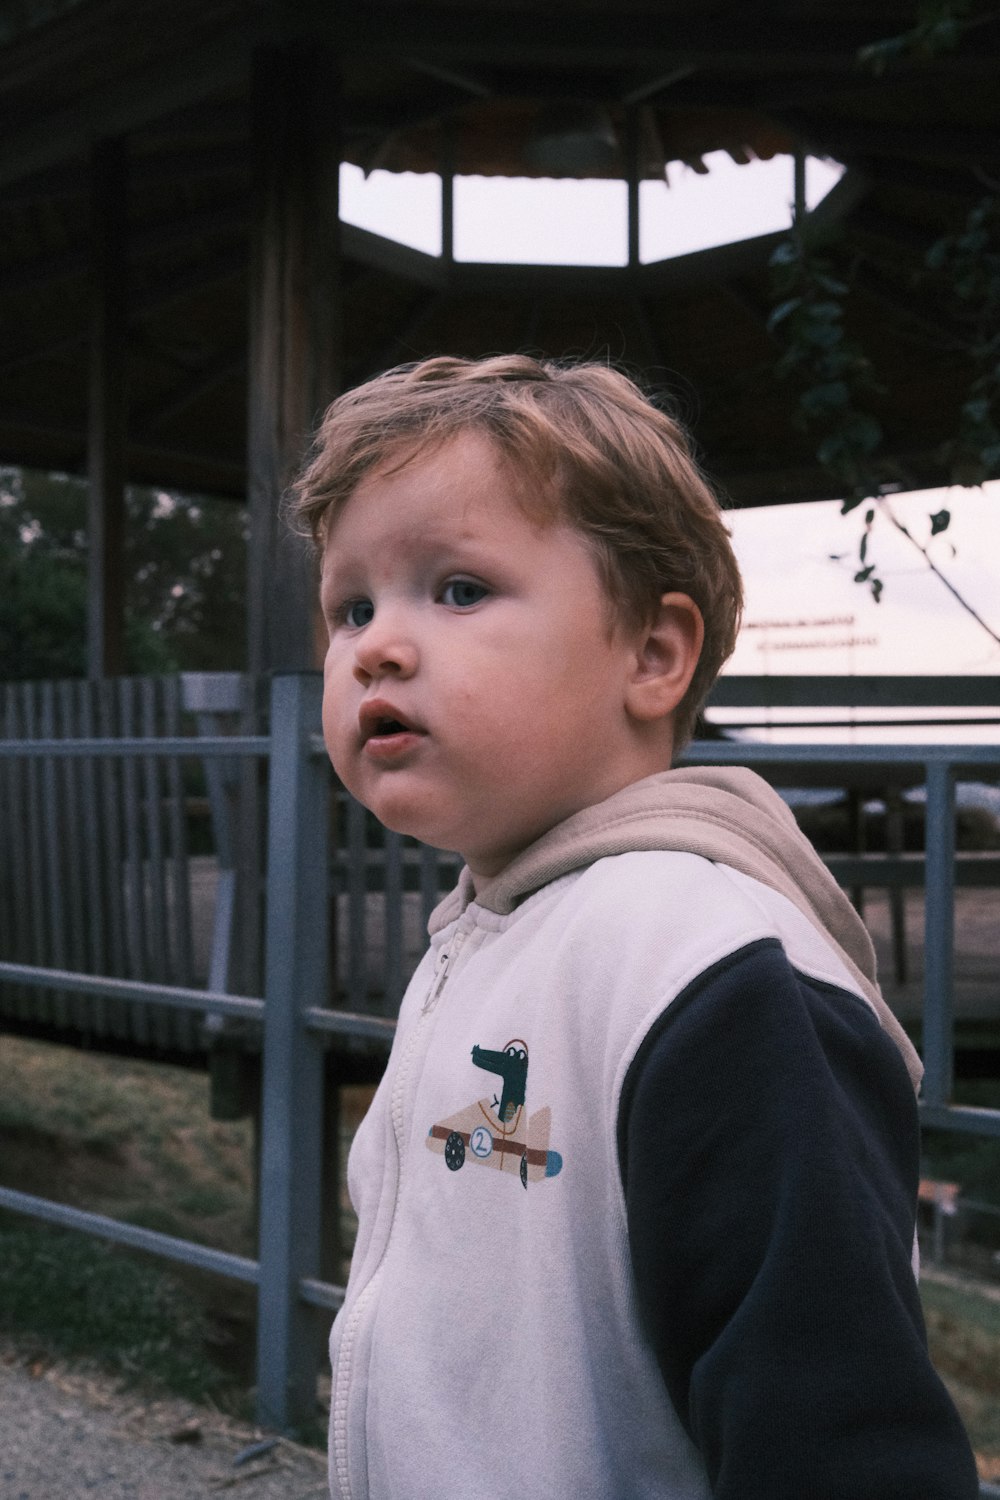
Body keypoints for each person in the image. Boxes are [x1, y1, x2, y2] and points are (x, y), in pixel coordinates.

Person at [290, 355, 978, 1500]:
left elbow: (837, 1430)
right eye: (350, 606)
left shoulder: (708, 968)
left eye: (457, 590)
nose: (376, 645)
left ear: (653, 655)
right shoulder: (488, 929)